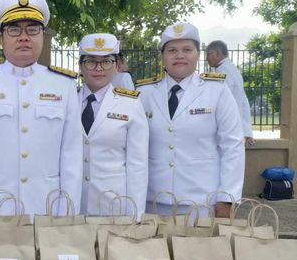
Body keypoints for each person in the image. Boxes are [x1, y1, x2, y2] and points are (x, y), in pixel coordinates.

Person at [0, 0, 83, 216]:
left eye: (32, 29)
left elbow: (71, 157)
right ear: (1, 38)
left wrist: (66, 216)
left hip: (46, 211)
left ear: (43, 35)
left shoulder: (63, 86)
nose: (24, 37)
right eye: (14, 29)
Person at [137, 23, 244, 218]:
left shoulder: (217, 90)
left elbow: (233, 145)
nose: (179, 56)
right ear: (163, 56)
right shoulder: (144, 93)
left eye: (187, 50)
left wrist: (227, 198)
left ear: (197, 54)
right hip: (151, 200)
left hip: (201, 202)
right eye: (172, 50)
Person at [78, 33, 148, 218]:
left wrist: (135, 215)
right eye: (91, 61)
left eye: (106, 61)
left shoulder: (131, 104)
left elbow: (137, 164)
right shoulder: (67, 100)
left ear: (117, 65)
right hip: (72, 205)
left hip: (113, 206)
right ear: (80, 66)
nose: (98, 68)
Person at [206, 40, 254, 146]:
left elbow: (220, 102)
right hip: (233, 127)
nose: (206, 58)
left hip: (226, 126)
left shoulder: (222, 71)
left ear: (217, 53)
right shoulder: (232, 69)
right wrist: (247, 131)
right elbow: (243, 101)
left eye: (208, 54)